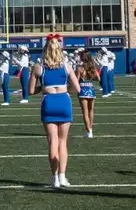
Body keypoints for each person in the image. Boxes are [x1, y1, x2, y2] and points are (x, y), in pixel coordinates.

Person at [30, 33, 79, 188]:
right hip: (64, 101)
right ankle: (63, 177)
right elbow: (77, 88)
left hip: (49, 102)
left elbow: (31, 91)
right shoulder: (67, 66)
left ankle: (54, 178)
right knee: (63, 142)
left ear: (45, 49)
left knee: (53, 141)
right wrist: (64, 90)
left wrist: (44, 88)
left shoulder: (38, 67)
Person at [77, 50, 100, 139]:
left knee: (85, 112)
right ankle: (90, 130)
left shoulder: (80, 68)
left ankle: (89, 131)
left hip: (82, 89)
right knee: (91, 110)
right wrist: (90, 78)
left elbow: (76, 80)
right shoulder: (93, 67)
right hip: (91, 89)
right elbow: (98, 78)